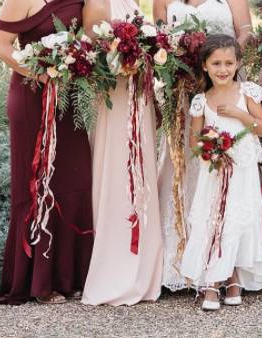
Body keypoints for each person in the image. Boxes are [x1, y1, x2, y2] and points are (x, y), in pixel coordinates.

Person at [0, 0, 93, 305]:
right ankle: (37, 281)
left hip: (68, 100)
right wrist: (39, 72)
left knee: (74, 183)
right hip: (30, 95)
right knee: (34, 184)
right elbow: (1, 46)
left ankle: (69, 277)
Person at [152, 0, 255, 292]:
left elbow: (245, 31)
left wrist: (221, 60)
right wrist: (178, 64)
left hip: (222, 84)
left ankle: (230, 261)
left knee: (226, 169)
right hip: (183, 91)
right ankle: (182, 260)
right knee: (186, 159)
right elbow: (160, 42)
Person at [180, 34, 262, 311]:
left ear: (238, 63)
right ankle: (216, 281)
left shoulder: (246, 92)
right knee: (215, 221)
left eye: (228, 63)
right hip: (215, 170)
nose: (223, 69)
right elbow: (194, 141)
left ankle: (233, 277)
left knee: (236, 222)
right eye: (216, 63)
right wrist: (212, 149)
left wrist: (240, 114)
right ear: (205, 66)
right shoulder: (201, 100)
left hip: (243, 169)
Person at [80, 0, 164, 306]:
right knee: (116, 171)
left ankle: (144, 265)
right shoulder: (97, 2)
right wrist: (120, 57)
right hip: (113, 99)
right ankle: (116, 264)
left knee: (139, 168)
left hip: (138, 97)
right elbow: (90, 50)